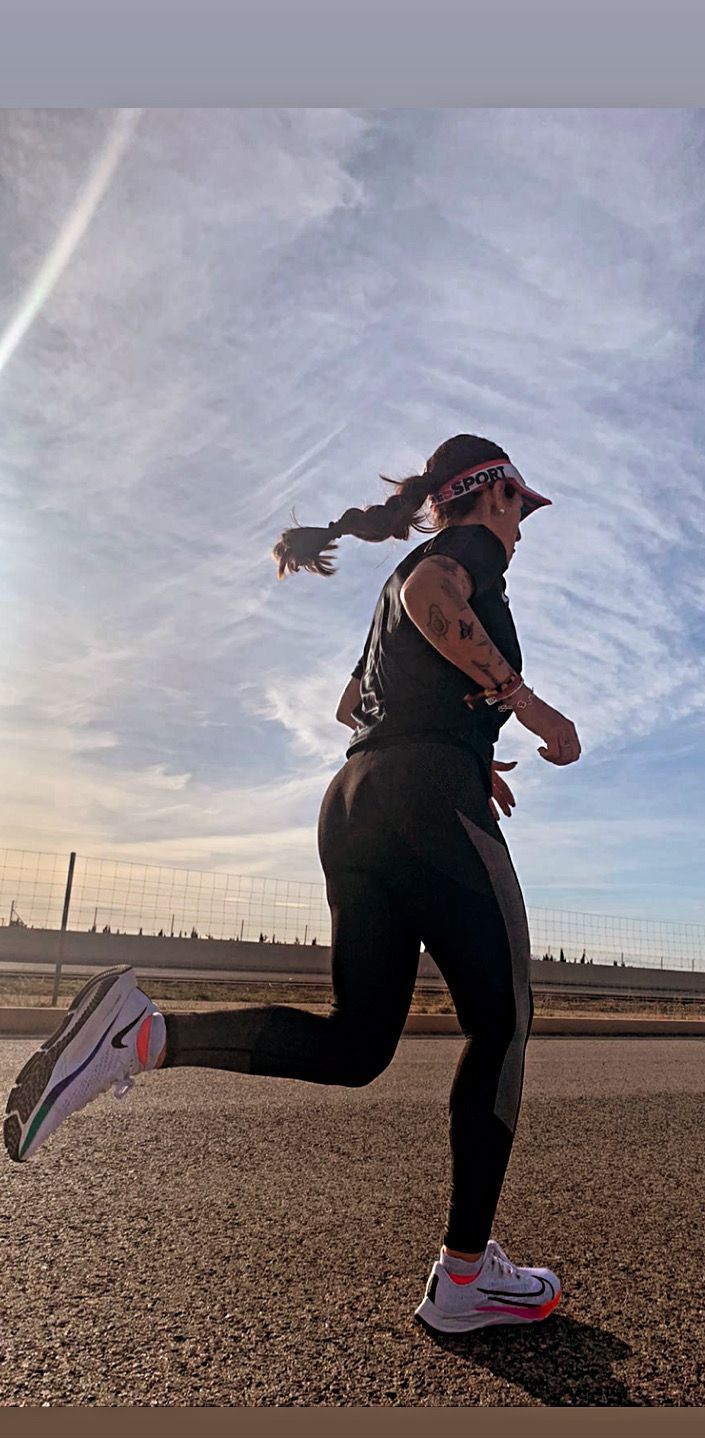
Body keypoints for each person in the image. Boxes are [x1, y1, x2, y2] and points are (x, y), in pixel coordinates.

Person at [3, 434, 581, 1335]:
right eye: (520, 505)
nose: (523, 526)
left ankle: (145, 1035)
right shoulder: (460, 558)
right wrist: (527, 707)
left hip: (355, 803)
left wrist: (463, 745)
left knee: (358, 1046)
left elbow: (354, 707)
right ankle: (465, 1279)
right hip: (424, 800)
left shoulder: (394, 593)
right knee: (503, 1021)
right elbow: (438, 601)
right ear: (491, 494)